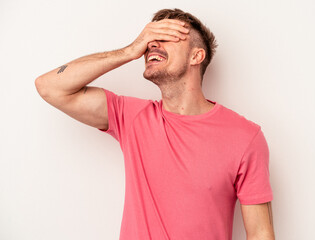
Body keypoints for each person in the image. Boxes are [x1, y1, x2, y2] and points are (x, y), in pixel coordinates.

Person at [35, 8, 275, 240]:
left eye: (165, 37)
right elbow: (50, 87)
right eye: (150, 38)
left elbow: (261, 234)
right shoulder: (131, 116)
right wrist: (129, 50)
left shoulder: (245, 137)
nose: (151, 44)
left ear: (196, 56)